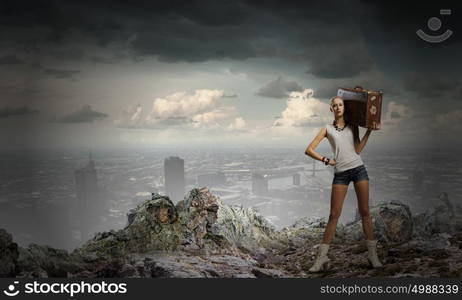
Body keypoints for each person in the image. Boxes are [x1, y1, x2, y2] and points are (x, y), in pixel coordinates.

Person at [304, 95, 383, 272]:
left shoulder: (353, 126)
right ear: (331, 109)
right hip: (341, 173)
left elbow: (357, 150)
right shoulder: (327, 129)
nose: (338, 107)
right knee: (334, 215)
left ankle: (372, 255)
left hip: (358, 169)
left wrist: (369, 132)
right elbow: (308, 150)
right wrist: (326, 160)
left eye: (341, 104)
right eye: (335, 105)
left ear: (344, 107)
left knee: (365, 211)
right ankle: (321, 258)